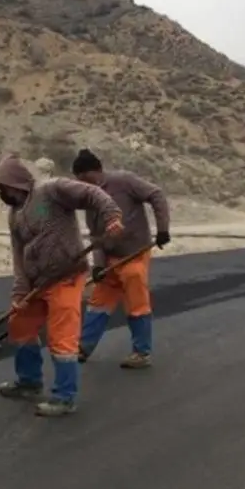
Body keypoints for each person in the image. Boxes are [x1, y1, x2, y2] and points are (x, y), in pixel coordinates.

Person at [0, 154, 124, 417]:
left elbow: (92, 194)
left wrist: (111, 216)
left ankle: (65, 397)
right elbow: (18, 252)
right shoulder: (15, 214)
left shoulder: (51, 190)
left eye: (2, 187)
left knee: (61, 336)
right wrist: (20, 289)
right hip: (36, 282)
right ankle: (29, 381)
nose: (0, 193)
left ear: (14, 182)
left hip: (66, 276)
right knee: (20, 324)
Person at [70, 149, 170, 369]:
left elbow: (157, 195)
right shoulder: (90, 198)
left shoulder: (124, 181)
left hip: (134, 254)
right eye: (80, 181)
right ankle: (83, 347)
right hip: (110, 258)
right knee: (98, 303)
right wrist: (97, 265)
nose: (85, 184)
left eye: (86, 179)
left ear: (96, 171)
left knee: (136, 302)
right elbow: (97, 236)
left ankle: (141, 353)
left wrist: (162, 229)